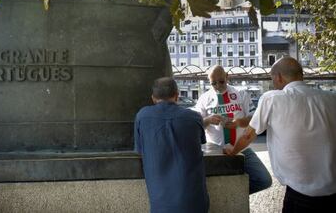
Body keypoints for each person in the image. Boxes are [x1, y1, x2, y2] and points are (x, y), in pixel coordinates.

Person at [224, 57, 336, 212]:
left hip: (300, 193)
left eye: (272, 79)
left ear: (278, 77)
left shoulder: (272, 98)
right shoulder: (331, 98)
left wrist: (233, 151)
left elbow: (248, 135)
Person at [134, 77, 209, 213]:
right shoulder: (194, 117)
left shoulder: (142, 116)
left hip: (160, 202)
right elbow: (201, 142)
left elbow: (140, 150)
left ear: (153, 98)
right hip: (194, 201)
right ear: (177, 95)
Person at [193, 65, 272, 194]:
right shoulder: (204, 98)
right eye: (213, 83)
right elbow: (196, 124)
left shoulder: (241, 93)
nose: (218, 85)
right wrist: (208, 120)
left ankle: (232, 195)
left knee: (264, 180)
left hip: (242, 148)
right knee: (210, 184)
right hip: (216, 151)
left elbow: (253, 118)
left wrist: (239, 123)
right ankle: (226, 198)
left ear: (227, 76)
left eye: (221, 81)